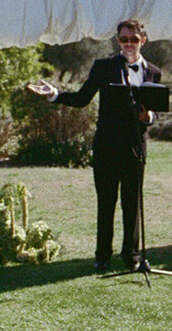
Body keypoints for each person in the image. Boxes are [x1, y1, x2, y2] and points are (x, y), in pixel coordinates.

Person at [26, 19, 162, 272]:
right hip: (107, 147)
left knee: (132, 204)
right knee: (106, 202)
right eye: (124, 39)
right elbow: (81, 98)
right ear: (118, 41)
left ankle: (132, 256)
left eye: (134, 39)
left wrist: (149, 117)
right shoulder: (103, 66)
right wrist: (55, 95)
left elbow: (155, 110)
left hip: (135, 148)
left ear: (143, 41)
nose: (129, 44)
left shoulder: (153, 71)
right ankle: (102, 255)